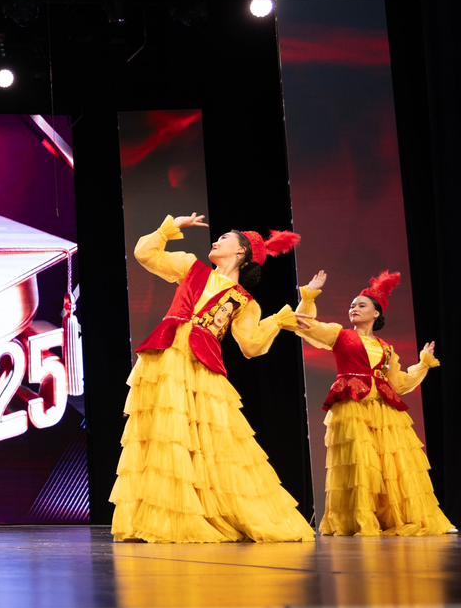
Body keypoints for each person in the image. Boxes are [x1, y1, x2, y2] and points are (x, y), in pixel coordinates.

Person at [111, 213, 314, 543]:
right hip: (169, 355)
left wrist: (279, 320)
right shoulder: (191, 268)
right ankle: (163, 517)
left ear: (241, 252)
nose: (216, 241)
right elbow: (145, 254)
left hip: (202, 365)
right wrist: (169, 228)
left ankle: (205, 511)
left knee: (211, 441)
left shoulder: (245, 302)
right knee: (167, 435)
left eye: (224, 238)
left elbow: (251, 345)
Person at [292, 269, 453, 535]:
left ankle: (392, 518)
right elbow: (303, 324)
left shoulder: (386, 348)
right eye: (352, 305)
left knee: (391, 466)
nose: (354, 308)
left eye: (361, 305)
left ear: (376, 313)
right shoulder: (340, 335)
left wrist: (423, 364)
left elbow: (399, 383)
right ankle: (361, 520)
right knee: (360, 464)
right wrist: (309, 296)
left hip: (383, 410)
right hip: (352, 407)